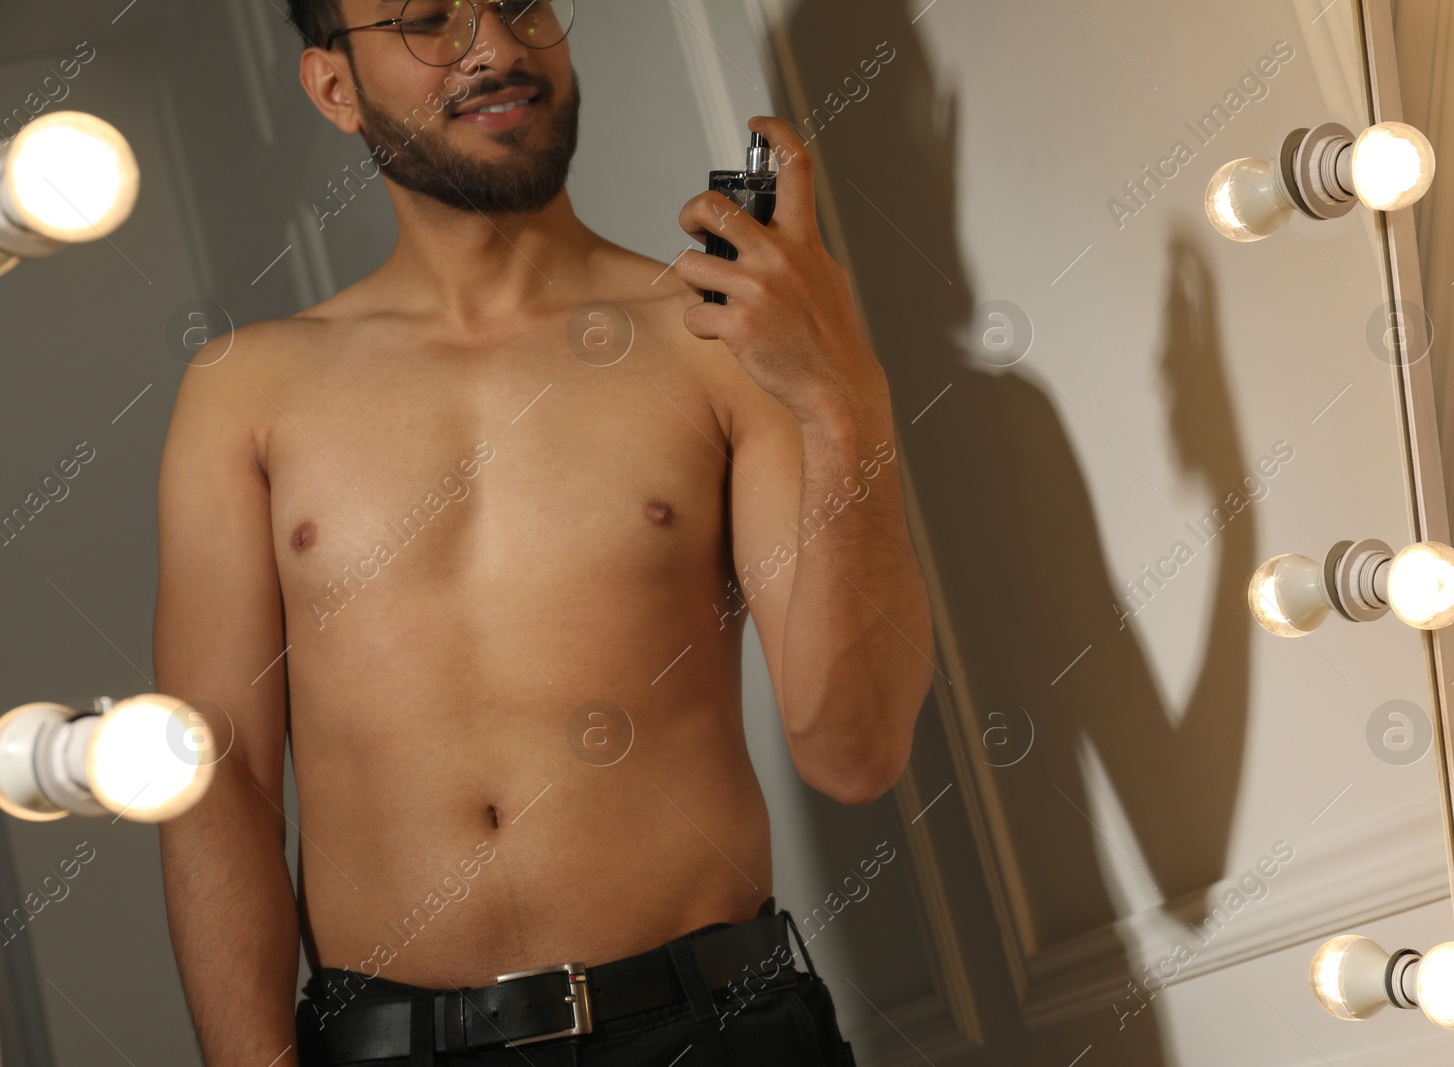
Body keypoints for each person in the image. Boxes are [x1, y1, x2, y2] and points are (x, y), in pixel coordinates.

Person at [152, 0, 933, 1064]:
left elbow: (855, 750)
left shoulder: (712, 338)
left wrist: (845, 398)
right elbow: (219, 784)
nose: (497, 49)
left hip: (716, 1032)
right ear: (336, 88)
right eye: (429, 20)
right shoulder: (245, 392)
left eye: (520, 3)